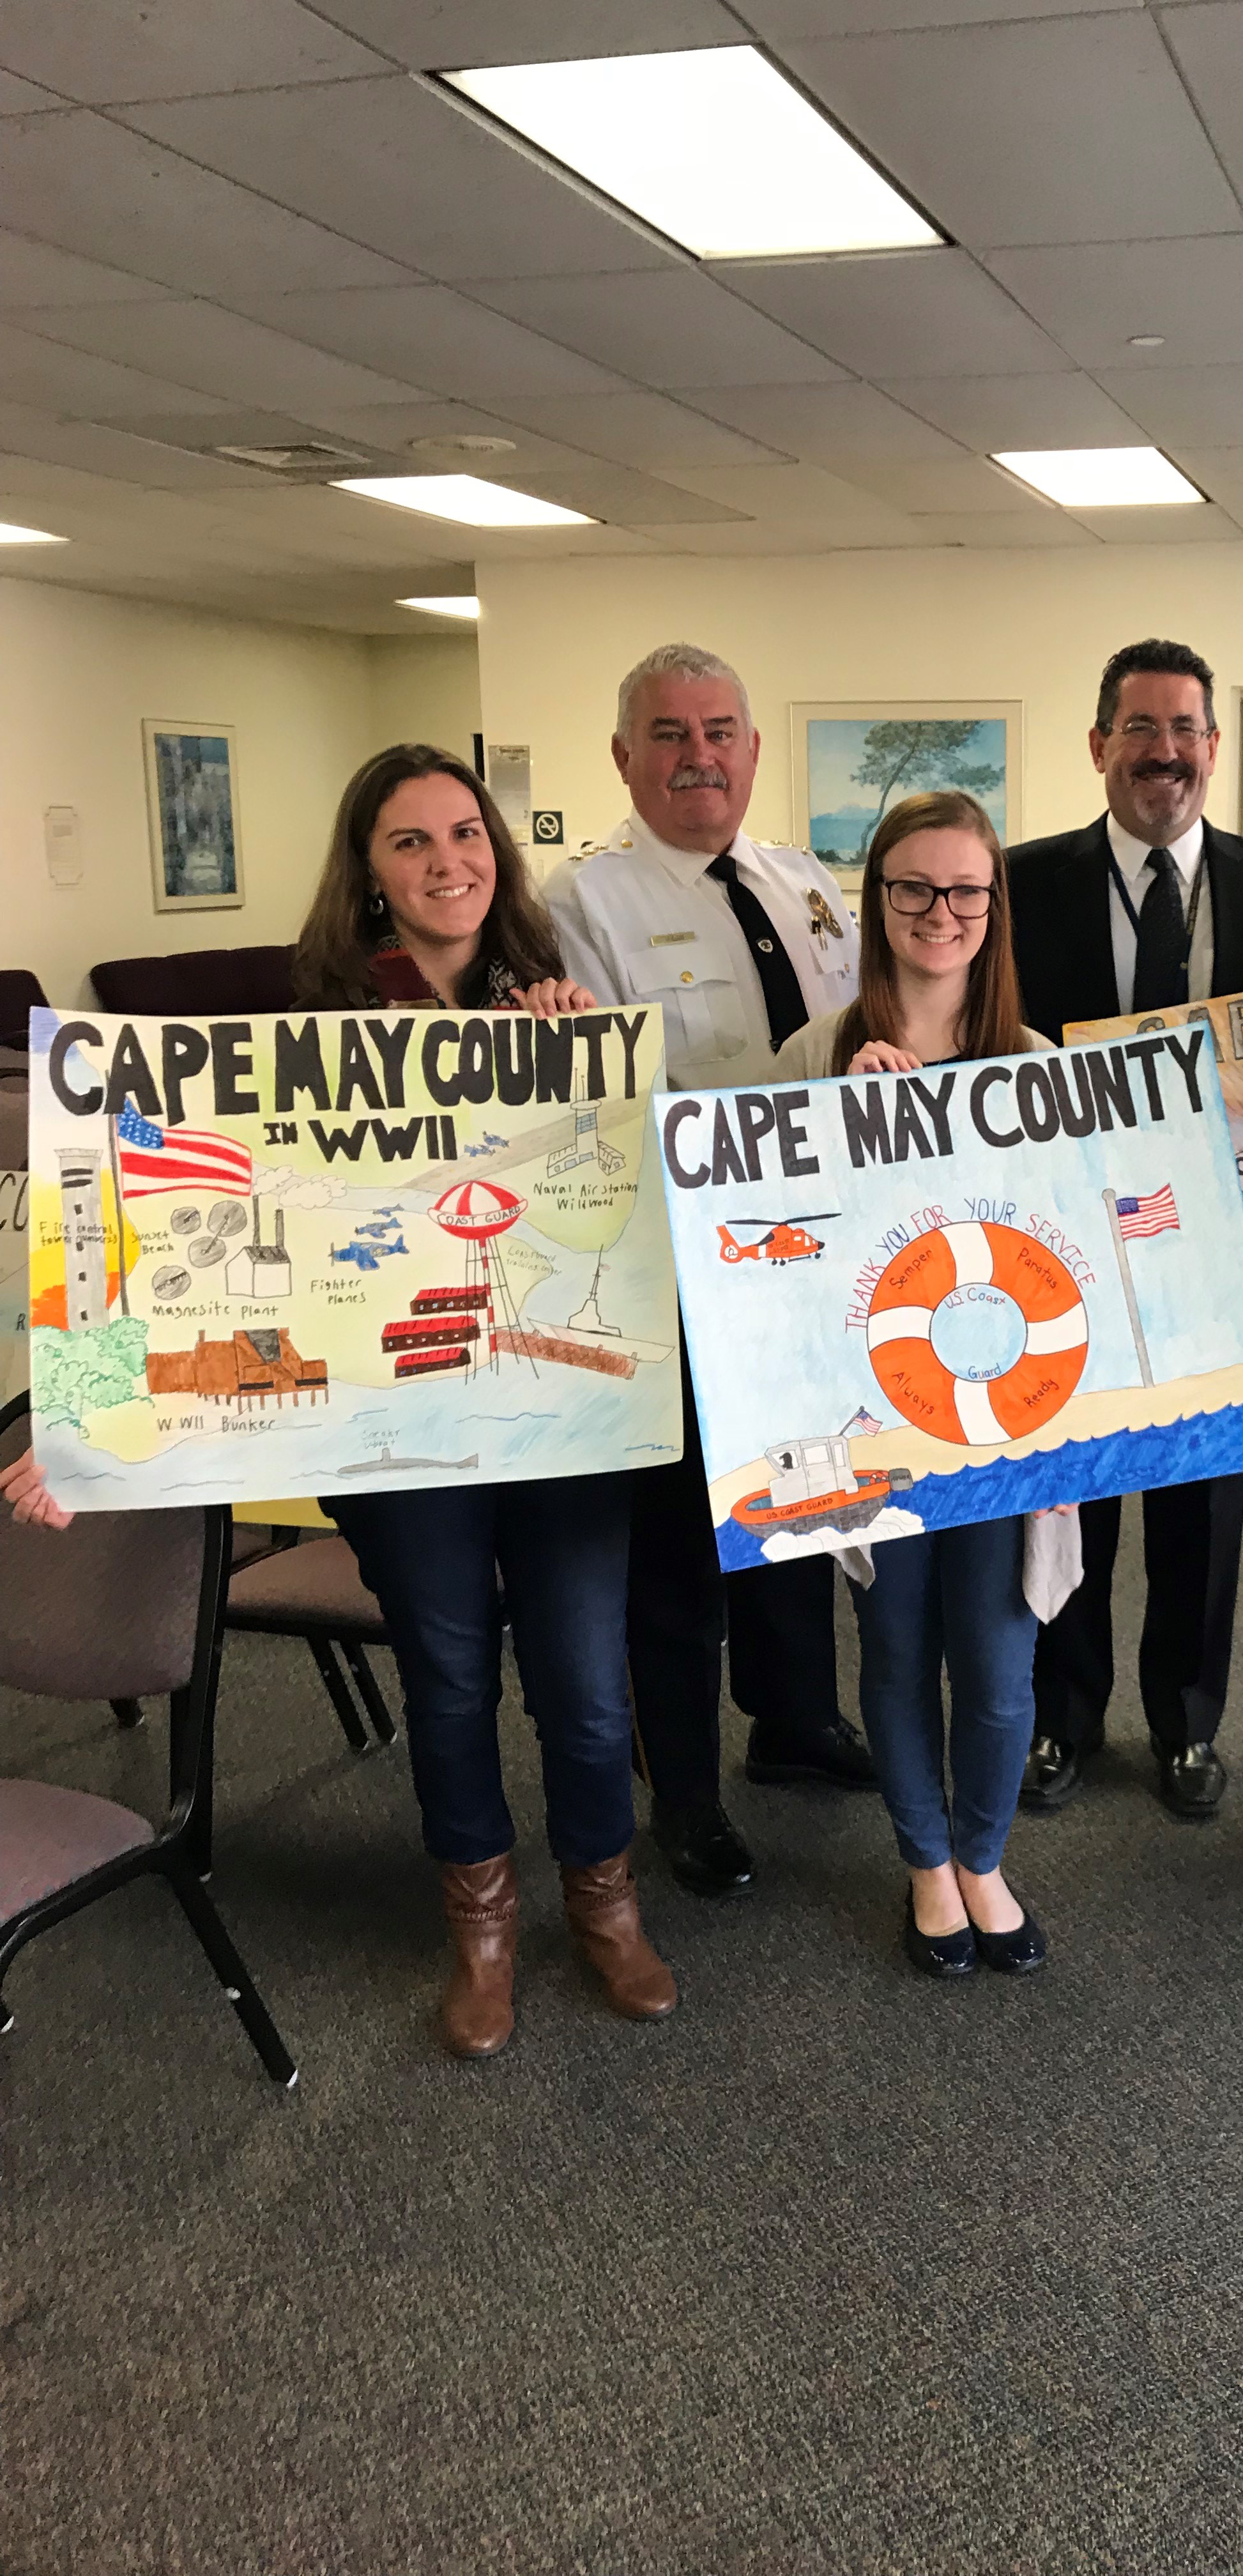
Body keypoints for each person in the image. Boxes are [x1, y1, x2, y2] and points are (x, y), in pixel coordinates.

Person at [306, 744, 675, 2057]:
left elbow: (623, 1223)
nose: (447, 861)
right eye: (411, 843)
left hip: (559, 1405)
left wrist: (589, 1089)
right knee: (450, 1678)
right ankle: (481, 1925)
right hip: (406, 1417)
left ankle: (606, 1903)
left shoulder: (562, 1007)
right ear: (368, 876)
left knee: (582, 1681)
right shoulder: (319, 1031)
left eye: (465, 834)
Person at [547, 643, 871, 1903]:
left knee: (800, 1509)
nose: (699, 757)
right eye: (670, 734)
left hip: (804, 1261)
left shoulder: (804, 882)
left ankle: (797, 1724)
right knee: (680, 1555)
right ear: (625, 757)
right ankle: (683, 1795)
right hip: (677, 1275)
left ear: (750, 745)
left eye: (721, 730)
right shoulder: (586, 903)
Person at [1005, 638, 1243, 1821]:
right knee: (1072, 1486)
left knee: (1203, 1500)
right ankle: (1061, 1722)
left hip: (1217, 1255)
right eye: (1139, 728)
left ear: (1214, 750)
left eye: (1185, 730)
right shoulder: (1019, 884)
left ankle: (1186, 1724)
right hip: (1065, 1247)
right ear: (1098, 746)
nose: (1163, 752)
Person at [772, 793, 1062, 1975]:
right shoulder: (809, 1056)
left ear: (993, 909)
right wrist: (850, 1126)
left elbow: (1069, 1259)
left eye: (965, 891)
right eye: (912, 888)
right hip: (872, 1421)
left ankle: (985, 1856)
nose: (939, 913)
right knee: (894, 1652)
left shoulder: (1041, 1068)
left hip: (1004, 1424)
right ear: (875, 900)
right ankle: (926, 1862)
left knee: (998, 1667)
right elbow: (773, 1256)